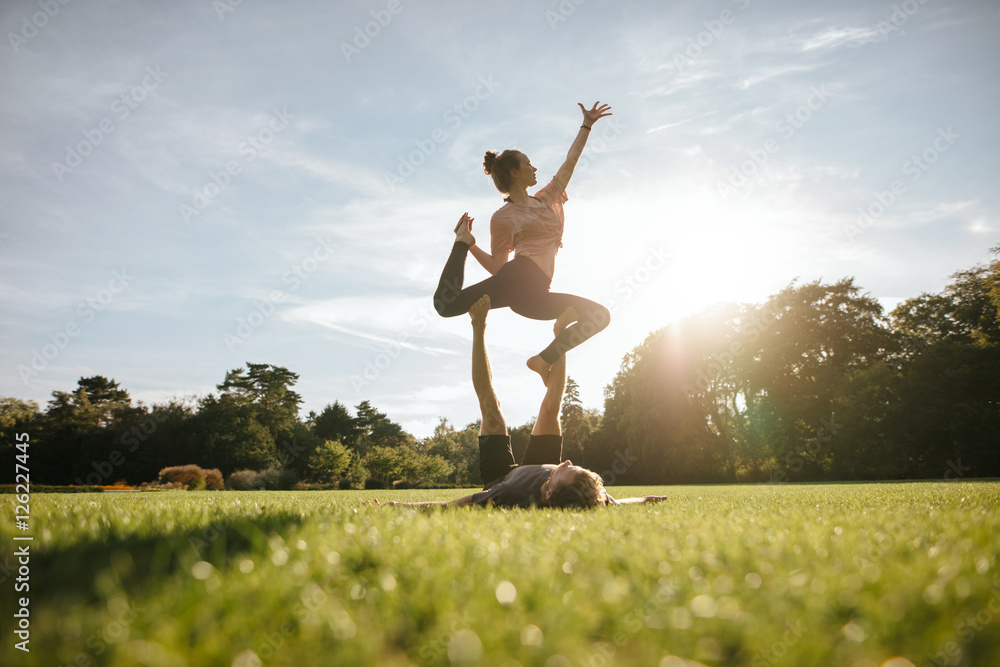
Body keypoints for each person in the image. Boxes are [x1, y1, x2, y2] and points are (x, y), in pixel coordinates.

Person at [379, 295, 667, 509]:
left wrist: (396, 507)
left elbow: (450, 506)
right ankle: (558, 342)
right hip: (539, 466)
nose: (567, 461)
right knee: (552, 406)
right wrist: (644, 499)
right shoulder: (587, 494)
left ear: (550, 493)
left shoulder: (509, 495)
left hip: (501, 477)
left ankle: (478, 328)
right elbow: (617, 503)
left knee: (491, 411)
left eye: (568, 469)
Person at [433, 102, 615, 386]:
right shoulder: (502, 218)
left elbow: (571, 162)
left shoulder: (547, 198)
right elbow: (498, 267)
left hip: (535, 296)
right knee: (446, 305)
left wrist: (587, 125)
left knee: (599, 316)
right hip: (517, 278)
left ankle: (542, 360)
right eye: (528, 163)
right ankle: (460, 242)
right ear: (515, 173)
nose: (535, 167)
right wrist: (469, 246)